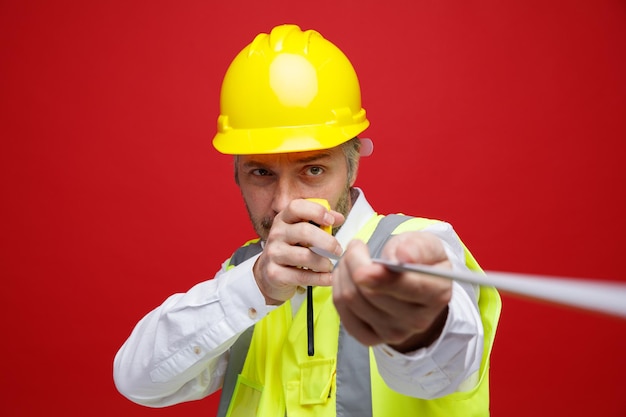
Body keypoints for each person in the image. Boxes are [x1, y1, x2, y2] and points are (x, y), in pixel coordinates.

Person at [113, 24, 501, 417]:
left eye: (312, 170)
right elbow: (138, 382)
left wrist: (418, 325)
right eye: (261, 173)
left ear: (351, 166)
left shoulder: (422, 247)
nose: (284, 203)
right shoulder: (243, 274)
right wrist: (255, 286)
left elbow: (442, 371)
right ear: (237, 174)